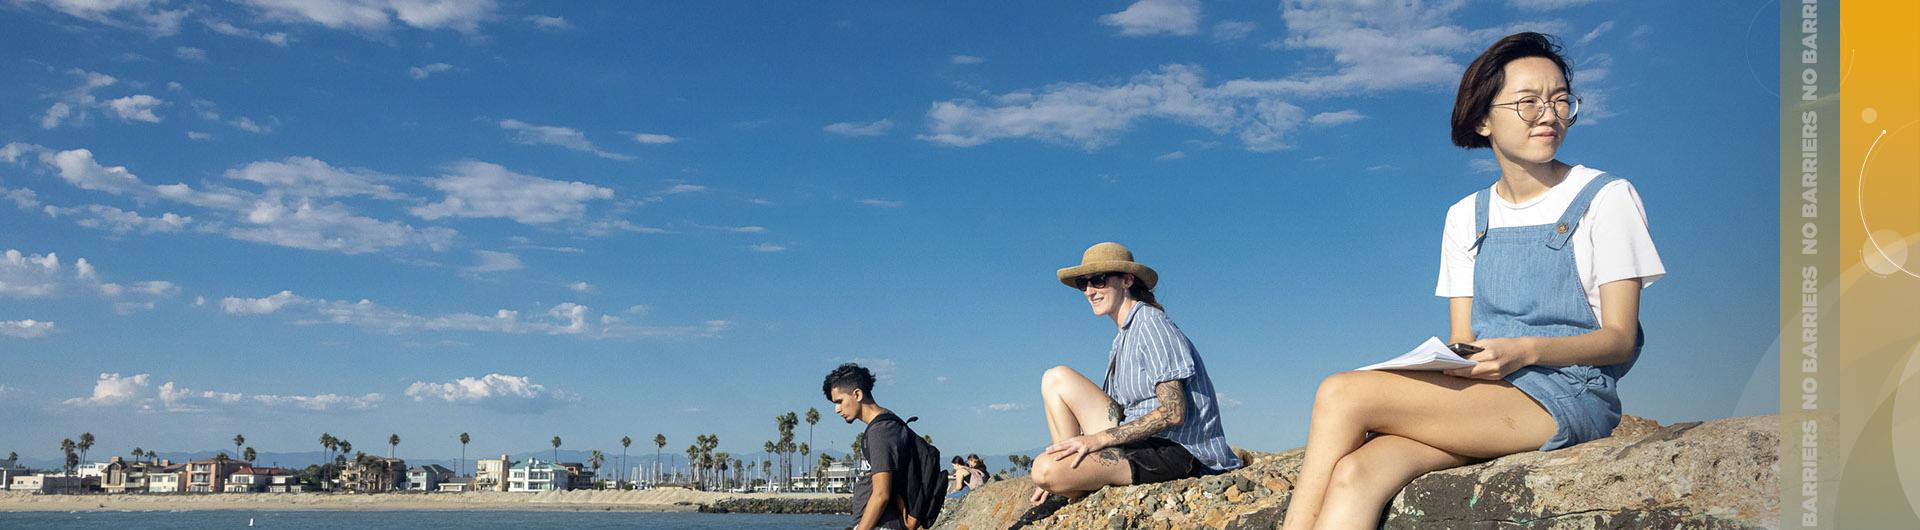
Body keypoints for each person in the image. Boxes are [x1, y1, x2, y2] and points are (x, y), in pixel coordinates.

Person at [1278, 32, 1665, 530]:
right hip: (1490, 392)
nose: (1549, 114)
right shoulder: (1466, 216)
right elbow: (1464, 339)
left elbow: (1619, 339)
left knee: (1341, 393)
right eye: (1528, 102)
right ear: (1483, 119)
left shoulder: (1605, 196)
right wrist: (1451, 362)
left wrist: (1525, 351)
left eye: (1560, 99)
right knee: (1359, 470)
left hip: (1570, 396)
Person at [1015, 242, 1243, 527]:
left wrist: (1097, 441)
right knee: (1055, 377)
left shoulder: (1151, 324)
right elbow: (1114, 413)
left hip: (1178, 450)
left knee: (1044, 470)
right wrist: (1074, 456)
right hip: (1138, 439)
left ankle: (1067, 479)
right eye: (1083, 283)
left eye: (1098, 280)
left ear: (1127, 280)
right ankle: (1070, 473)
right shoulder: (1122, 336)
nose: (1089, 290)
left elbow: (1174, 413)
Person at [824, 363, 911, 530]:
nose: (837, 409)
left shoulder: (880, 431)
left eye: (840, 401)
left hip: (883, 525)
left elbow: (881, 494)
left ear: (857, 394)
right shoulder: (889, 422)